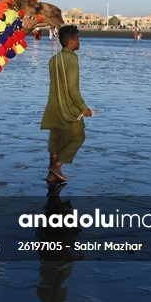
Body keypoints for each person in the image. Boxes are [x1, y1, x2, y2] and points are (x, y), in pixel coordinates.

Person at [40, 25, 93, 188]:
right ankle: (56, 167)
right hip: (68, 110)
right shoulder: (72, 59)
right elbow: (72, 89)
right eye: (77, 39)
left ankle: (51, 177)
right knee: (78, 136)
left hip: (53, 109)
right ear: (71, 42)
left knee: (55, 142)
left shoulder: (53, 59)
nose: (79, 41)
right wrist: (84, 108)